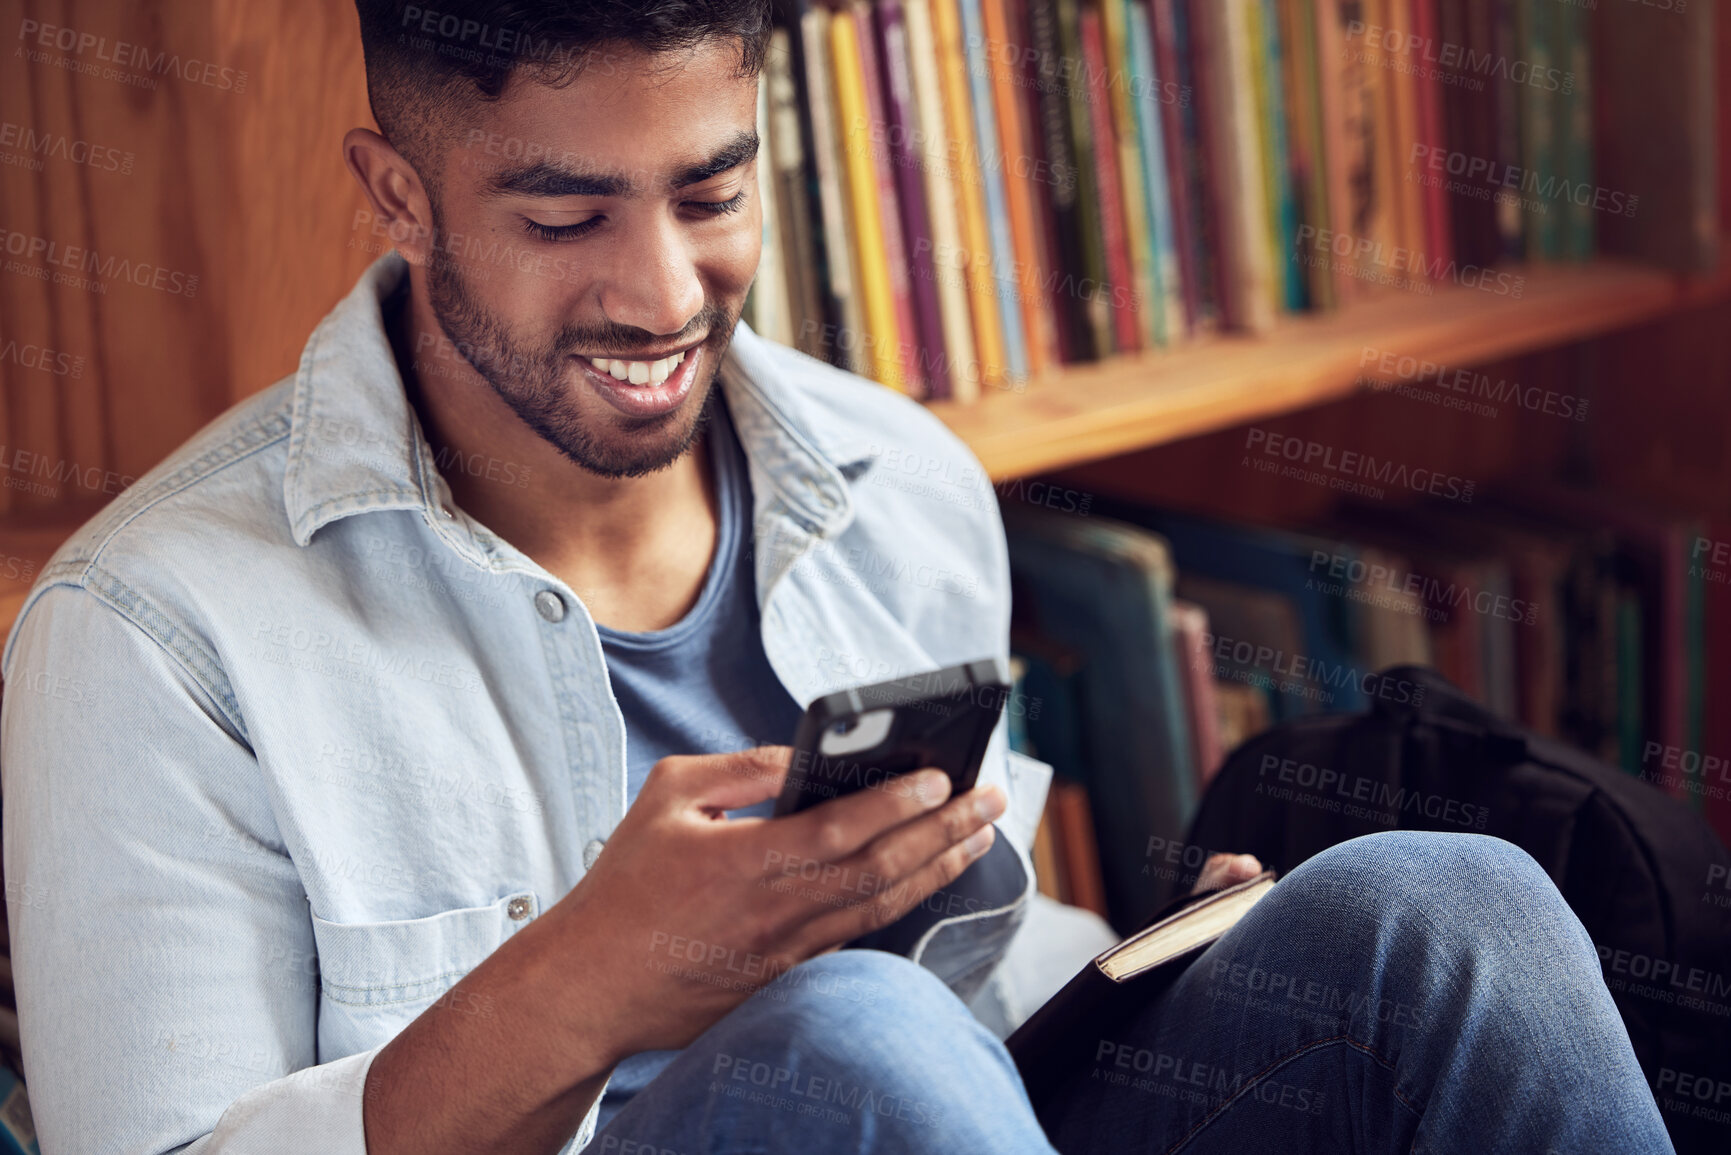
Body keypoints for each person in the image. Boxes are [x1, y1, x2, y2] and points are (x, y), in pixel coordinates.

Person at [0, 1, 1673, 1152]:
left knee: (1446, 907)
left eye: (709, 193)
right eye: (565, 216)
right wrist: (588, 983)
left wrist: (1161, 956)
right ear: (399, 197)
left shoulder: (900, 483)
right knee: (856, 1043)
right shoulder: (152, 633)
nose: (661, 293)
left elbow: (973, 987)